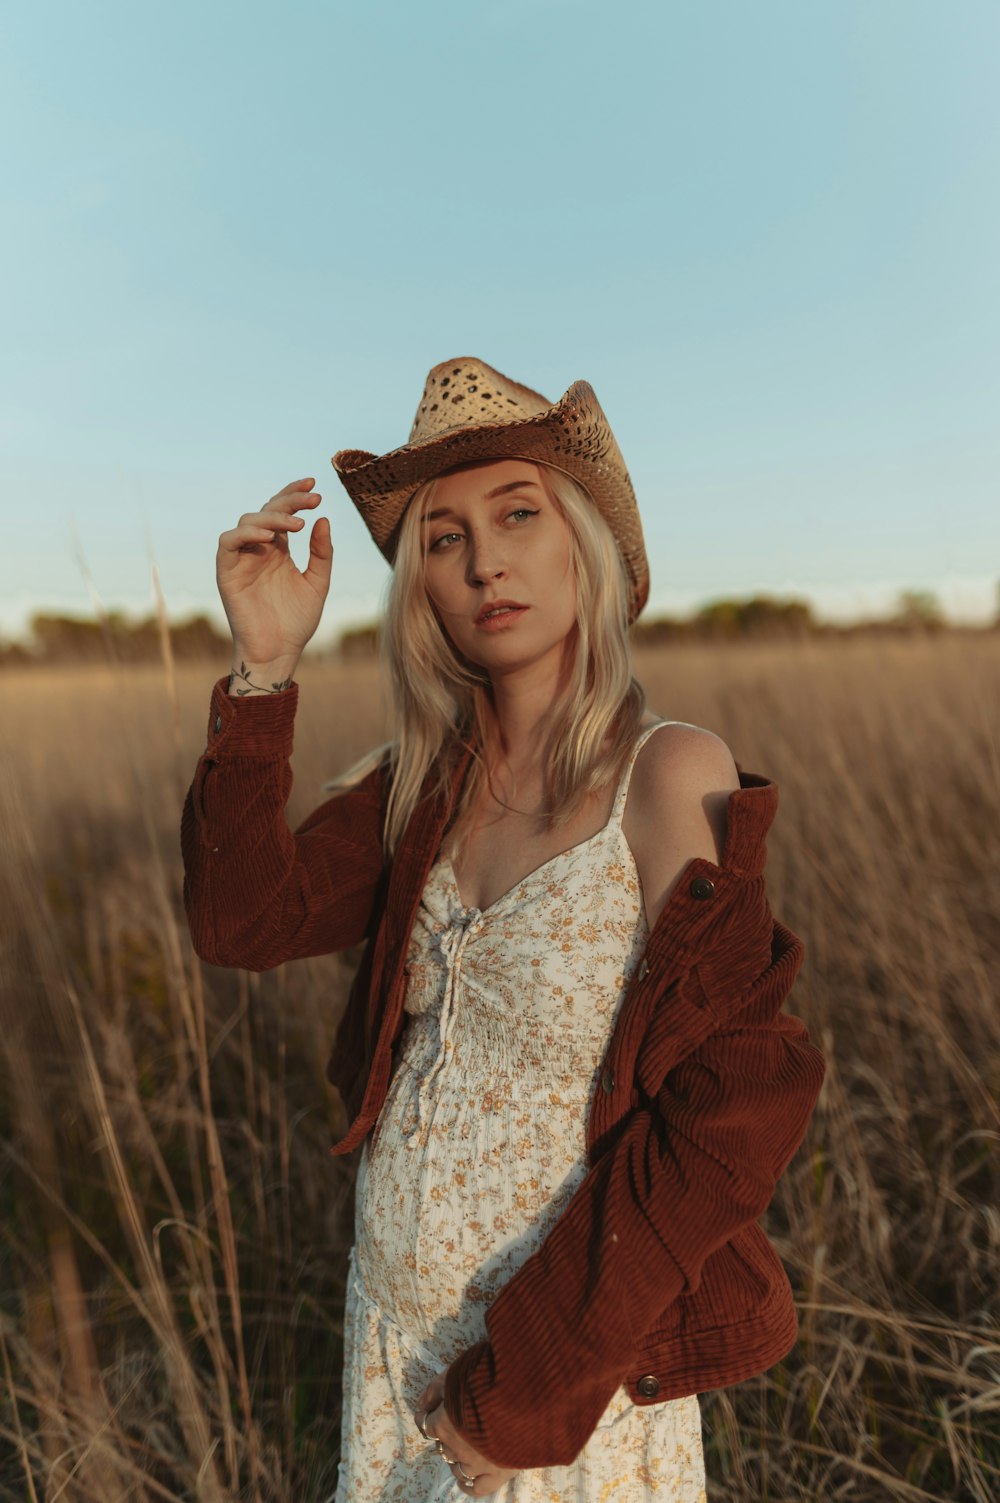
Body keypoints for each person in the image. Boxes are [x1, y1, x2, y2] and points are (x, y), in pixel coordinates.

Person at [181, 357, 826, 1501]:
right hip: (392, 1338)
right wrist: (264, 670)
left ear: (582, 539)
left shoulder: (671, 774)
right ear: (419, 585)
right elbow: (241, 920)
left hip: (557, 1374)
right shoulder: (420, 784)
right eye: (441, 537)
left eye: (517, 514)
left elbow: (735, 1104)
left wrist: (527, 1388)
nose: (483, 560)